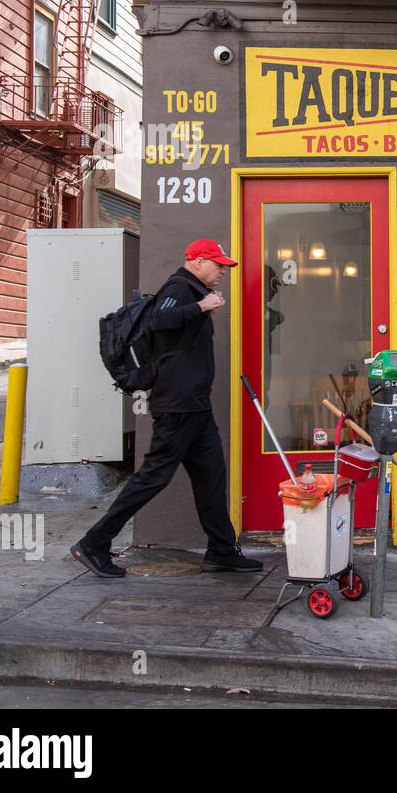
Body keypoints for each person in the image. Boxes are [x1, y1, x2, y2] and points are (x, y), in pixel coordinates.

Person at [71, 239, 264, 577]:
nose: (222, 271)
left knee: (211, 478)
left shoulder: (192, 289)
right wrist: (201, 307)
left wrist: (201, 307)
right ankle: (94, 543)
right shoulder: (179, 286)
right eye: (218, 265)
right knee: (152, 477)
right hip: (177, 406)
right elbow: (160, 320)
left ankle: (221, 550)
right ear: (198, 261)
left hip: (195, 408)